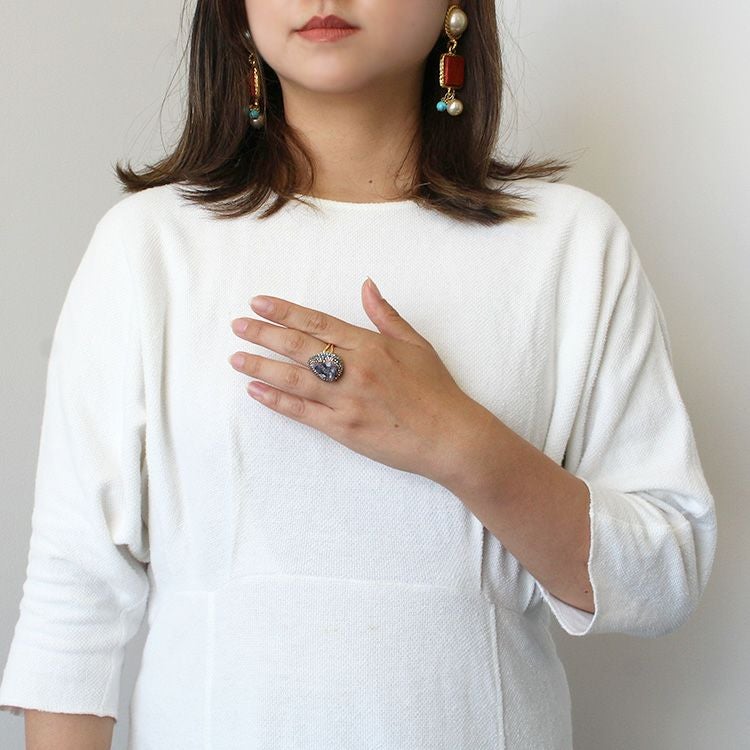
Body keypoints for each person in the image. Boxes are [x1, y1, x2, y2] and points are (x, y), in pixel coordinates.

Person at [0, 2, 717, 748]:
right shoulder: (149, 246)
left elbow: (664, 575)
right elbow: (74, 597)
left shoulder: (569, 244)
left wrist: (458, 440)